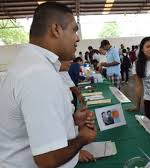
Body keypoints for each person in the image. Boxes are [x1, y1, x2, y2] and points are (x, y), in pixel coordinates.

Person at [0, 2, 96, 168]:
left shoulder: (31, 63)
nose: (77, 37)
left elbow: (28, 124)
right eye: (74, 30)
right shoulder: (38, 74)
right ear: (56, 30)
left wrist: (70, 119)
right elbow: (47, 159)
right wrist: (82, 138)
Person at [59, 61, 95, 163]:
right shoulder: (40, 78)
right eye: (74, 45)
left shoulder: (61, 72)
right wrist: (75, 153)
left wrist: (73, 119)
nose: (72, 59)